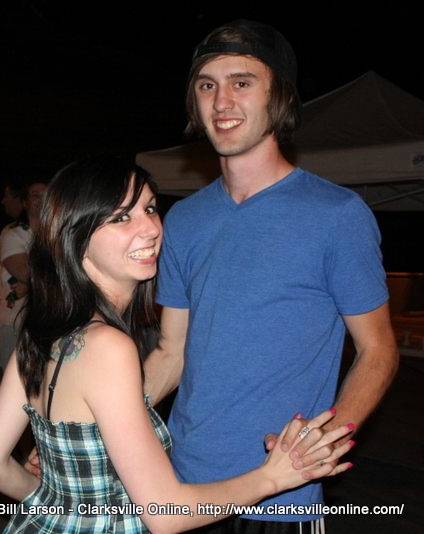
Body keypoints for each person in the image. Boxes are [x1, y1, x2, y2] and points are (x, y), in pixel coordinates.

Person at [0, 156, 354, 533]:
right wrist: (272, 477)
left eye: (150, 208)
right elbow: (165, 514)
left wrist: (63, 508)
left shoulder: (40, 332)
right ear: (76, 239)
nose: (151, 228)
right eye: (121, 218)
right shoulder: (108, 347)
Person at [148, 20, 399, 533]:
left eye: (241, 82)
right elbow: (170, 353)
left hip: (280, 494)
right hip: (181, 486)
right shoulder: (183, 220)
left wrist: (327, 436)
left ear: (278, 98)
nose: (221, 101)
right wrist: (88, 428)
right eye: (207, 85)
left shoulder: (337, 215)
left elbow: (378, 349)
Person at [0, 181, 47, 399]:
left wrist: (32, 283)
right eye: (35, 195)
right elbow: (22, 271)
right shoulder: (15, 233)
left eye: (46, 195)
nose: (41, 200)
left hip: (41, 320)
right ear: (24, 203)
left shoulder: (57, 235)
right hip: (14, 320)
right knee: (13, 386)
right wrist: (37, 281)